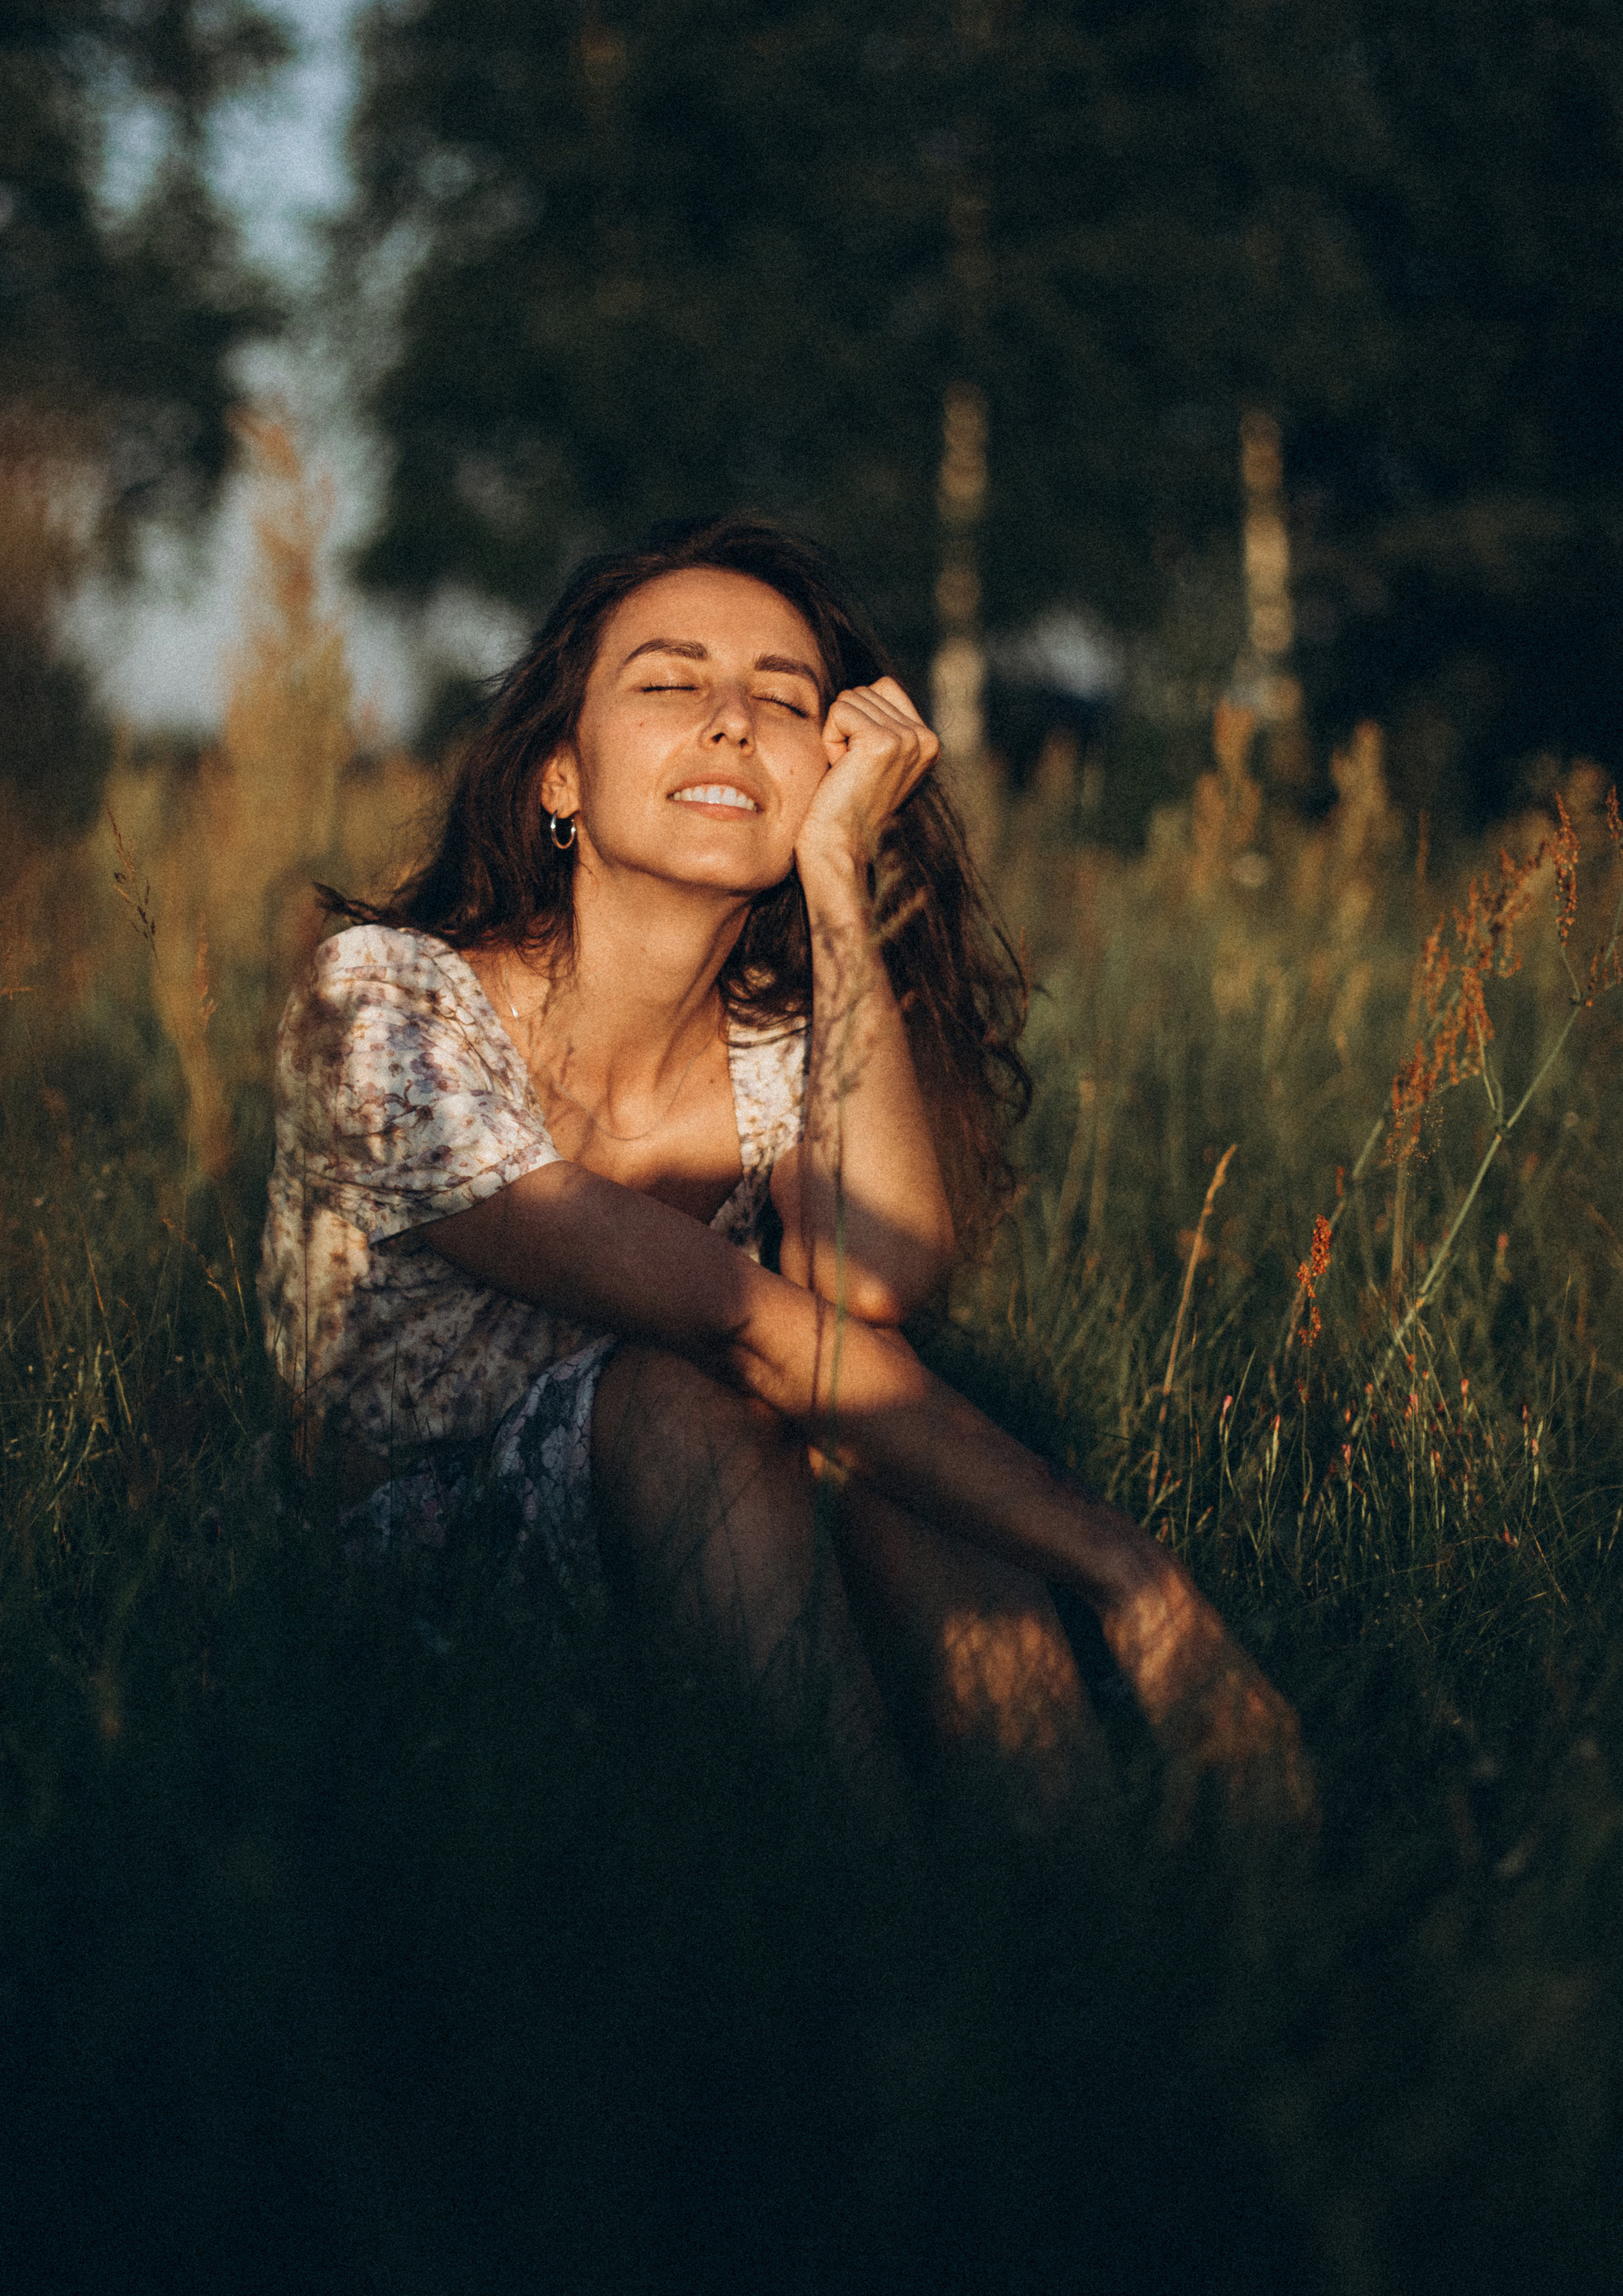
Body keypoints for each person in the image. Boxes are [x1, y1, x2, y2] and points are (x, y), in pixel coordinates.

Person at [260, 517, 1306, 1828]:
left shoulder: (778, 1046)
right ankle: (876, 1925)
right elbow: (736, 1320)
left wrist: (834, 882)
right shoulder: (387, 1008)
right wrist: (1134, 1577)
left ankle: (1088, 1916)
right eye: (667, 682)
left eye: (784, 698)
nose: (733, 722)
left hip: (698, 1565)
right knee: (692, 1391)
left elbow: (867, 1284)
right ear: (557, 781)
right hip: (418, 1619)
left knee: (872, 1437)